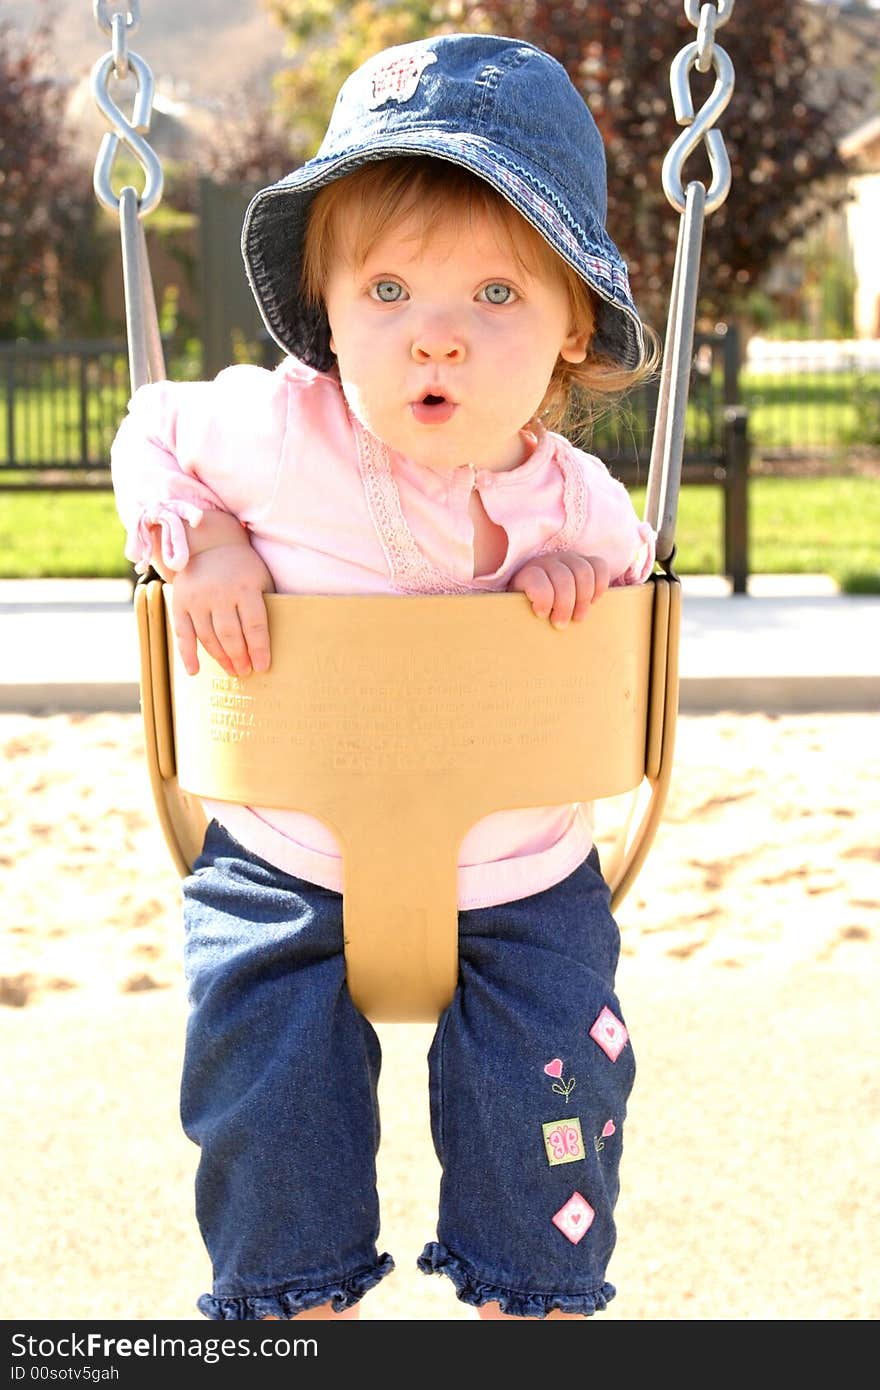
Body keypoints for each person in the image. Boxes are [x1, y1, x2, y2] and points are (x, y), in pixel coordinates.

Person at [111, 33, 658, 1321]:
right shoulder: (272, 429)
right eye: (392, 293)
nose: (439, 343)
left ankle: (531, 1298)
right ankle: (297, 1311)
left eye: (498, 299)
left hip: (523, 879)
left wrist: (574, 587)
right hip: (286, 859)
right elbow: (149, 438)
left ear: (575, 326)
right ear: (329, 306)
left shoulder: (580, 500)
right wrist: (212, 541)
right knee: (261, 1088)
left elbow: (625, 591)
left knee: (562, 1109)